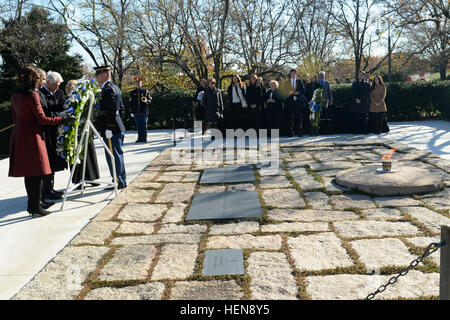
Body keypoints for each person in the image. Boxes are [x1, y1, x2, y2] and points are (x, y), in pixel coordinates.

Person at [8, 65, 73, 217]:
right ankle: (36, 207)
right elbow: (43, 119)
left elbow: (15, 118)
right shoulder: (32, 95)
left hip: (19, 135)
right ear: (33, 80)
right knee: (36, 173)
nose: (41, 82)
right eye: (39, 79)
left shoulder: (15, 95)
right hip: (32, 136)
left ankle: (32, 207)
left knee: (28, 173)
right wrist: (62, 118)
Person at [94, 65, 127, 190]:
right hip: (116, 127)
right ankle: (119, 180)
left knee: (113, 155)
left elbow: (112, 110)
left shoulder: (108, 90)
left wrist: (110, 127)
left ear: (104, 75)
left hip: (111, 129)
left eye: (98, 75)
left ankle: (118, 181)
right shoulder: (115, 87)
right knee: (117, 154)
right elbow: (121, 109)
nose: (96, 77)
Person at [65, 80, 101, 188]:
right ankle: (78, 180)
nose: (73, 89)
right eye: (71, 88)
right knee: (76, 156)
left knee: (89, 154)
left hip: (85, 130)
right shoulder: (67, 101)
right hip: (74, 132)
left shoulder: (84, 99)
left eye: (75, 87)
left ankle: (91, 177)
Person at [39, 71, 67, 202]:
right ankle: (46, 190)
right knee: (47, 161)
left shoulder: (59, 93)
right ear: (48, 83)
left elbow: (61, 107)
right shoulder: (41, 94)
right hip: (46, 131)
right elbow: (46, 113)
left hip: (56, 130)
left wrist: (61, 113)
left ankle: (50, 188)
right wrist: (60, 114)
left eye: (59, 85)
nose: (57, 87)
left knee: (53, 162)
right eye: (55, 85)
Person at [283, 69, 306, 137]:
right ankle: (290, 133)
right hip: (290, 102)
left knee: (298, 118)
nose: (293, 75)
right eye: (292, 73)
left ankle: (299, 132)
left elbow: (303, 90)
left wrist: (298, 93)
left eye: (294, 73)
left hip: (298, 102)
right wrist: (289, 93)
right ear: (290, 74)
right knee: (290, 118)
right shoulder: (287, 82)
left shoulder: (299, 81)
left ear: (296, 74)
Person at [129, 77, 152, 143]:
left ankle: (144, 138)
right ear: (135, 83)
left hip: (144, 111)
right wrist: (131, 111)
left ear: (141, 83)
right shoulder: (132, 92)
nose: (138, 84)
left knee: (144, 125)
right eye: (137, 82)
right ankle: (139, 138)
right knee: (138, 126)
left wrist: (147, 100)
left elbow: (150, 100)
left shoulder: (145, 91)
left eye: (139, 82)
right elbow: (131, 103)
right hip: (136, 112)